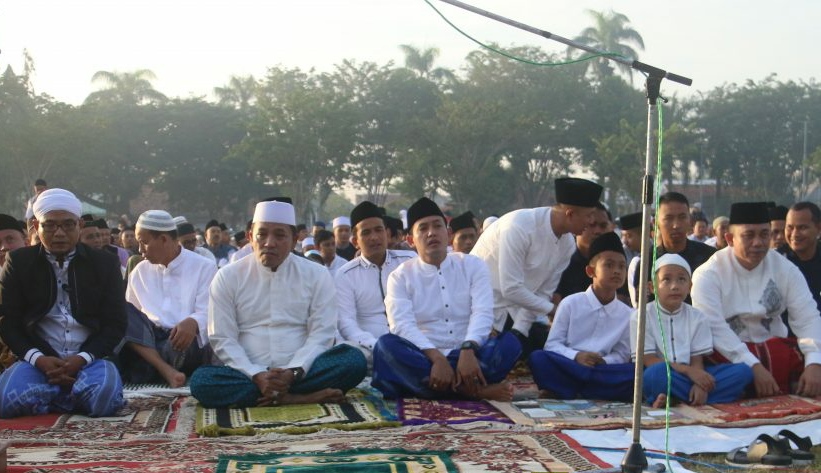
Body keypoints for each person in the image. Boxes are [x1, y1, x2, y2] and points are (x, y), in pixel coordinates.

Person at [189, 200, 366, 407]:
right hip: (248, 373)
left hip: (302, 371)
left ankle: (271, 395)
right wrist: (256, 374)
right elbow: (223, 337)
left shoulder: (317, 275)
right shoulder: (228, 277)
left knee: (354, 360)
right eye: (262, 234)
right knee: (201, 382)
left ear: (293, 241)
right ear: (250, 237)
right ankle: (297, 398)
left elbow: (321, 333)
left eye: (280, 235)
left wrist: (293, 371)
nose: (269, 242)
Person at [371, 197, 521, 401]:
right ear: (411, 240)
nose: (431, 232)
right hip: (424, 357)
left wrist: (468, 350)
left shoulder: (473, 266)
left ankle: (437, 388)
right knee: (385, 346)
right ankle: (472, 391)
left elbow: (483, 313)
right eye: (423, 228)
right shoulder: (400, 276)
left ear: (448, 234)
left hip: (470, 355)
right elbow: (401, 325)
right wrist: (437, 358)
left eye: (437, 226)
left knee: (511, 342)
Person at [0, 189, 126, 418]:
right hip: (38, 361)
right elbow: (9, 323)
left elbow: (115, 324)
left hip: (91, 359)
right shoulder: (18, 262)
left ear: (79, 225)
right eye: (50, 225)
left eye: (68, 225)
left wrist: (82, 359)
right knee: (4, 401)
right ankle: (72, 396)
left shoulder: (105, 263)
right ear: (35, 226)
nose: (59, 233)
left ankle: (52, 396)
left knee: (104, 399)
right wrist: (39, 360)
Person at [692, 202, 821, 398]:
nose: (758, 243)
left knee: (802, 359)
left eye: (764, 234)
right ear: (730, 238)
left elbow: (808, 317)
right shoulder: (708, 274)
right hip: (729, 355)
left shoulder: (785, 268)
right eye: (749, 235)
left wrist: (813, 363)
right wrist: (753, 365)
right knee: (736, 373)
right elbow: (713, 327)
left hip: (775, 349)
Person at [470, 177, 603, 346]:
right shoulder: (518, 227)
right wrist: (554, 310)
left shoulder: (567, 244)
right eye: (589, 216)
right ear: (570, 214)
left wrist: (519, 332)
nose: (591, 222)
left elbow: (543, 292)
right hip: (474, 309)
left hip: (513, 314)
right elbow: (511, 288)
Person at [633, 254, 753, 407]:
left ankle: (677, 398)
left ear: (690, 287)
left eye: (681, 279)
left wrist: (700, 383)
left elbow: (697, 359)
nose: (675, 286)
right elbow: (648, 360)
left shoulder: (698, 317)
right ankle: (698, 397)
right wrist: (689, 372)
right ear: (652, 287)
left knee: (743, 371)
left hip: (689, 376)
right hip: (666, 374)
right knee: (655, 375)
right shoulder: (641, 316)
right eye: (666, 280)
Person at [529, 232, 634, 401]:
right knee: (538, 358)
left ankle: (568, 388)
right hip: (571, 364)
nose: (616, 271)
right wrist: (576, 356)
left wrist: (604, 361)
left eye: (622, 266)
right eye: (609, 265)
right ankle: (589, 388)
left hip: (602, 369)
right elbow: (553, 345)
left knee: (635, 373)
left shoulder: (629, 314)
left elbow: (621, 354)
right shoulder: (570, 303)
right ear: (591, 271)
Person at [120, 210, 218, 387]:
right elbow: (133, 319)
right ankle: (165, 370)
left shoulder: (204, 267)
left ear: (164, 239)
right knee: (122, 312)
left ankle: (150, 368)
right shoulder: (139, 272)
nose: (140, 250)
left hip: (182, 342)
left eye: (144, 243)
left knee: (175, 348)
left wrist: (194, 322)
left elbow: (211, 311)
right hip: (149, 342)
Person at [335, 201, 416, 366]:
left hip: (411, 342)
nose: (374, 237)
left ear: (387, 233)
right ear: (355, 241)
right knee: (348, 354)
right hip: (370, 350)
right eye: (366, 232)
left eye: (379, 230)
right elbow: (346, 323)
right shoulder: (345, 275)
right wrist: (378, 346)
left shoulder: (409, 262)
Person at [631, 192, 715, 305]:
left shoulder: (708, 257)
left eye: (682, 217)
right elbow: (643, 306)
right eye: (669, 218)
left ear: (690, 221)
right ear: (656, 223)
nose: (676, 225)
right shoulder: (647, 262)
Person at [779, 202, 821, 314]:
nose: (794, 234)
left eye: (802, 227)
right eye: (790, 228)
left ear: (818, 228)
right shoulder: (776, 261)